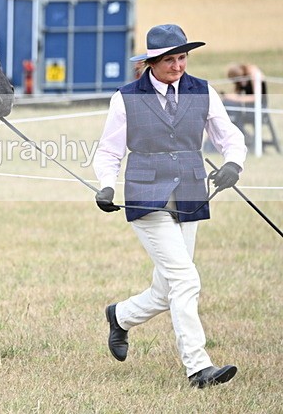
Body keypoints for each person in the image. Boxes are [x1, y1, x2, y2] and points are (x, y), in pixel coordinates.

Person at [92, 24, 248, 388]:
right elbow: (109, 151)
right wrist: (105, 186)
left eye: (182, 58)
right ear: (151, 62)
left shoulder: (203, 91)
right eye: (170, 60)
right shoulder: (126, 97)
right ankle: (198, 367)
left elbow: (230, 136)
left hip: (191, 194)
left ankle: (121, 316)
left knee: (167, 289)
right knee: (185, 278)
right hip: (147, 196)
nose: (178, 66)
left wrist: (232, 165)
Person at [222, 63, 267, 137]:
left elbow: (256, 98)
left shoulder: (254, 74)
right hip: (246, 108)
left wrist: (236, 98)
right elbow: (237, 94)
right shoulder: (242, 77)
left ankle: (243, 136)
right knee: (227, 105)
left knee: (234, 111)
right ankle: (240, 135)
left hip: (259, 107)